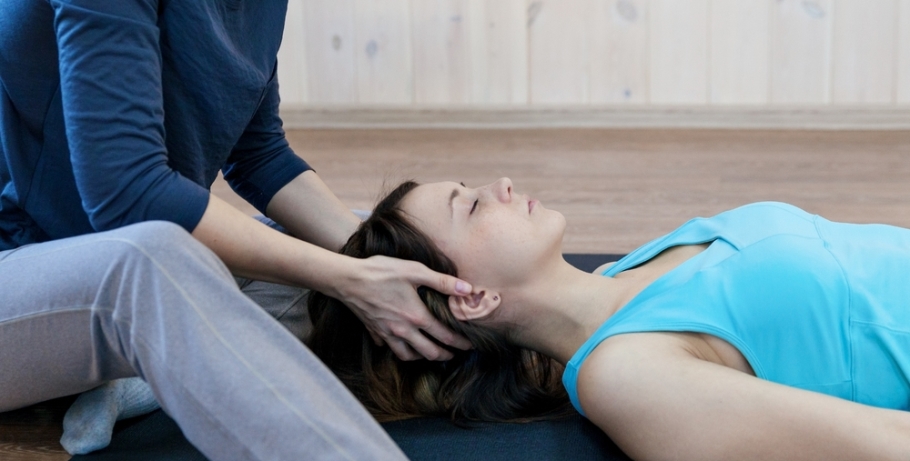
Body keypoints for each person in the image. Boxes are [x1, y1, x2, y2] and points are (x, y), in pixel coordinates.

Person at [0, 0, 473, 460]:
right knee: (153, 260)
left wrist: (373, 258)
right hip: (24, 264)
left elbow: (260, 152)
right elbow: (128, 194)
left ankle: (141, 376)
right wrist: (347, 278)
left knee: (338, 238)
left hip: (100, 262)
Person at [308, 178, 910, 460]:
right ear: (472, 297)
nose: (501, 185)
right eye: (469, 205)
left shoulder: (626, 271)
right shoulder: (623, 376)